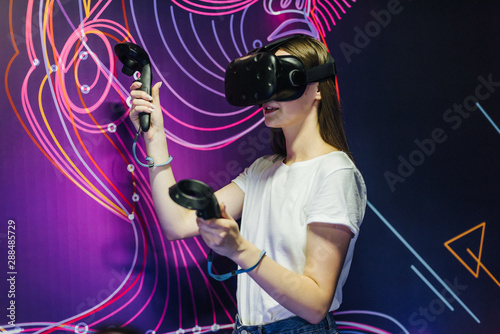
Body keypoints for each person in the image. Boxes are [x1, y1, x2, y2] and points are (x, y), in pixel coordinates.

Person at [129, 34, 366, 334]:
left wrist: (239, 249)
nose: (268, 95)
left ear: (316, 87)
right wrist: (156, 137)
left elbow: (316, 304)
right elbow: (177, 223)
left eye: (280, 79)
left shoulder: (335, 172)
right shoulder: (262, 171)